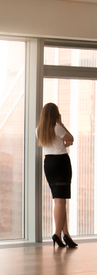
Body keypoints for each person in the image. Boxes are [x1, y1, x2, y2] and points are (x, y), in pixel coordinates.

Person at [37, 102, 77, 248]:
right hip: (61, 163)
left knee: (59, 200)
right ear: (55, 114)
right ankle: (57, 234)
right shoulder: (57, 127)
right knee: (61, 201)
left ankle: (66, 234)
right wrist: (61, 123)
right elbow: (71, 138)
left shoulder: (38, 130)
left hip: (48, 163)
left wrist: (64, 142)